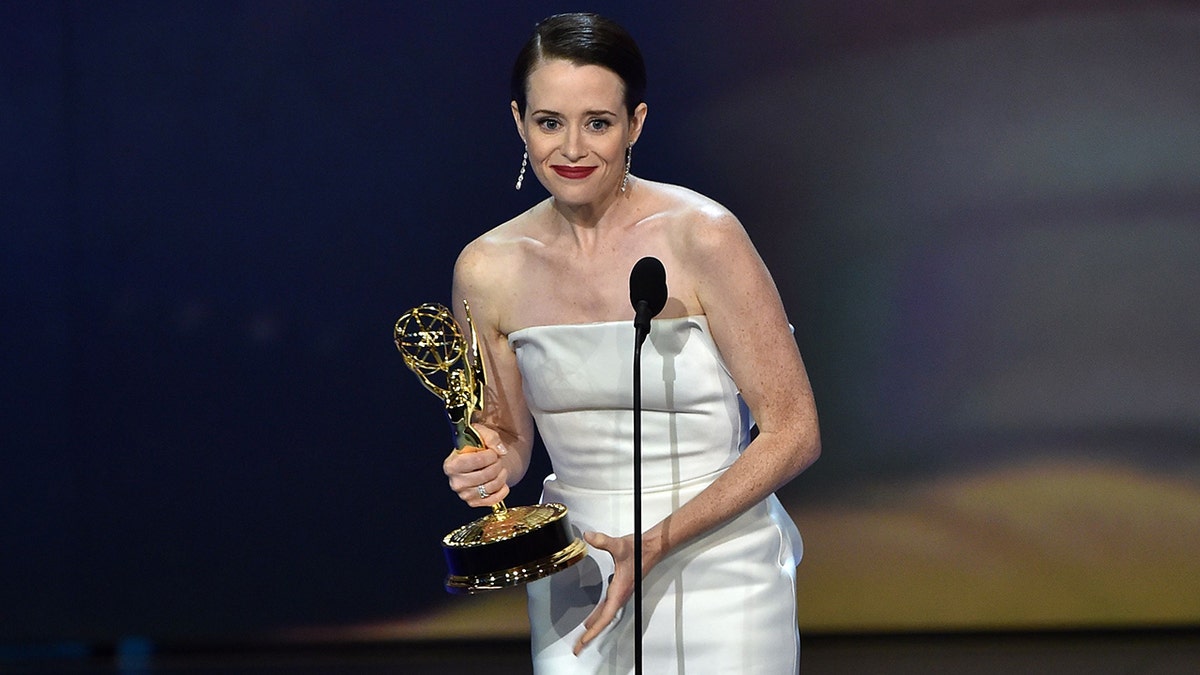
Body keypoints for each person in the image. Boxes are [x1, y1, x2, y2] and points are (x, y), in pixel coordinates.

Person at [443, 12, 820, 674]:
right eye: (549, 121)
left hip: (719, 564)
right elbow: (504, 440)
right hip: (578, 568)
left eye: (598, 122)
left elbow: (794, 430)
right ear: (518, 122)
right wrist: (482, 464)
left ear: (636, 124)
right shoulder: (487, 267)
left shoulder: (703, 237)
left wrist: (658, 539)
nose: (572, 149)